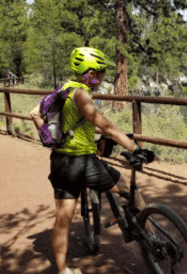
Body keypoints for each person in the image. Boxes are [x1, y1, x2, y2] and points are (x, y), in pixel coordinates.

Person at [30, 47, 151, 274]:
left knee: (62, 220)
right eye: (101, 72)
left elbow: (35, 113)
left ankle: (64, 271)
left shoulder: (63, 89)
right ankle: (153, 238)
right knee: (130, 190)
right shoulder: (81, 95)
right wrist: (135, 148)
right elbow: (106, 126)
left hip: (59, 163)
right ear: (91, 74)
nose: (103, 76)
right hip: (82, 163)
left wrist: (52, 140)